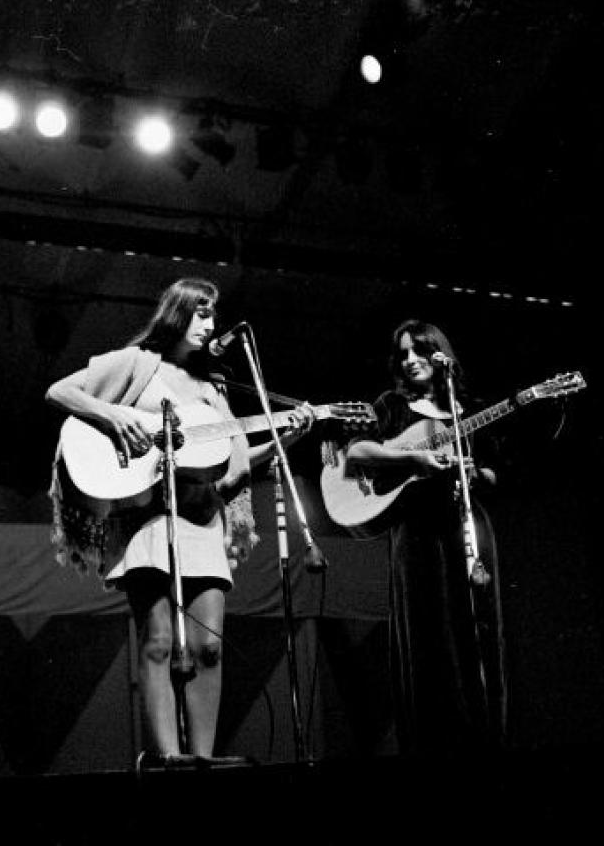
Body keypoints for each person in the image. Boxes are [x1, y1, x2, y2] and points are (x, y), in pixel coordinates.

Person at [45, 277, 313, 765]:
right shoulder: (135, 365)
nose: (210, 323)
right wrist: (113, 416)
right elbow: (58, 392)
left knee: (209, 646)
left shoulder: (214, 389)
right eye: (201, 312)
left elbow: (231, 462)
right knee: (160, 641)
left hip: (201, 517)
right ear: (176, 313)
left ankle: (204, 759)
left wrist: (287, 436)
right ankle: (170, 759)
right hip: (146, 518)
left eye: (214, 314)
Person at [345, 318, 506, 757]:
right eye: (403, 354)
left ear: (441, 354)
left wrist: (475, 473)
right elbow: (357, 451)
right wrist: (415, 459)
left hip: (466, 529)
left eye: (419, 350)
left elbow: (495, 472)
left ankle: (486, 740)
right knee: (426, 635)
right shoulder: (393, 406)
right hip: (416, 533)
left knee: (477, 629)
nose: (411, 360)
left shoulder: (469, 410)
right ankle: (433, 747)